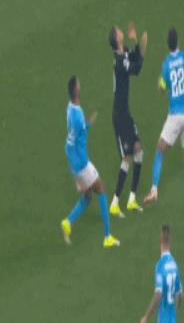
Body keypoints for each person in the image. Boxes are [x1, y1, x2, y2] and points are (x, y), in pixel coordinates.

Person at [60, 76, 120, 248]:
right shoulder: (78, 116)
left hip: (73, 159)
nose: (80, 84)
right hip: (81, 162)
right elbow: (81, 134)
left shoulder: (70, 108)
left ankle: (68, 221)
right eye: (79, 84)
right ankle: (107, 237)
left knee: (87, 197)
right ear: (76, 90)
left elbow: (72, 138)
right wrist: (89, 124)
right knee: (101, 189)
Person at [144, 28, 184, 210]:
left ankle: (154, 189)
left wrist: (160, 80)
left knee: (160, 150)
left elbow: (161, 89)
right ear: (178, 42)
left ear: (167, 44)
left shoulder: (166, 64)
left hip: (175, 116)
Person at [108, 23, 148, 218]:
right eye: (118, 31)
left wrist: (137, 42)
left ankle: (131, 199)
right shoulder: (118, 60)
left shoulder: (122, 52)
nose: (120, 30)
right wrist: (141, 49)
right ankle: (115, 202)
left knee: (138, 150)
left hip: (125, 112)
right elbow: (136, 68)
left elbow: (133, 55)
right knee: (127, 157)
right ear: (116, 38)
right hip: (120, 115)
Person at [140, 225, 183, 323]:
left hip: (163, 318)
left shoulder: (160, 266)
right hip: (172, 318)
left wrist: (146, 317)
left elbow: (158, 294)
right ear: (170, 243)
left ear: (160, 243)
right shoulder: (174, 264)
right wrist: (175, 312)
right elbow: (180, 294)